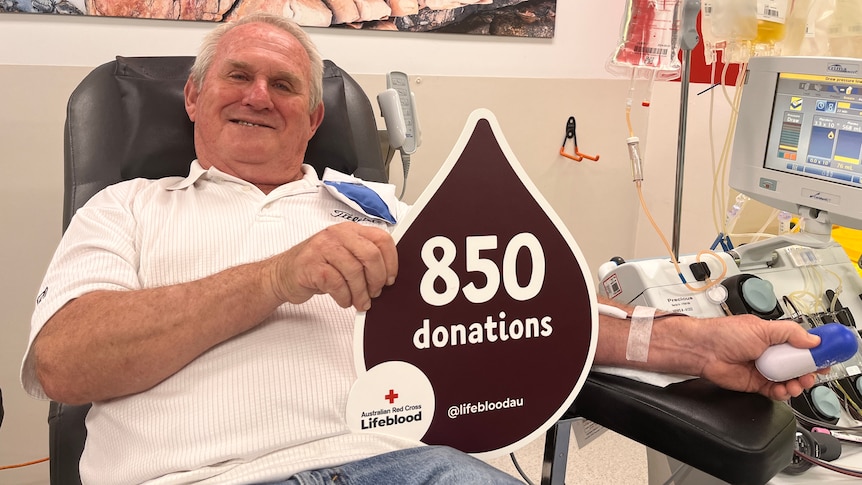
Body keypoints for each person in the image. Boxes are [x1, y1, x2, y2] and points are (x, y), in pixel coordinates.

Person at [21, 12, 821, 485]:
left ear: (312, 119)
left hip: (404, 467)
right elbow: (66, 362)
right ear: (194, 97)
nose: (259, 95)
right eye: (237, 75)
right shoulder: (129, 208)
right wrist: (277, 275)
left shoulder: (379, 209)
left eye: (286, 85)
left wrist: (692, 339)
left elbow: (524, 306)